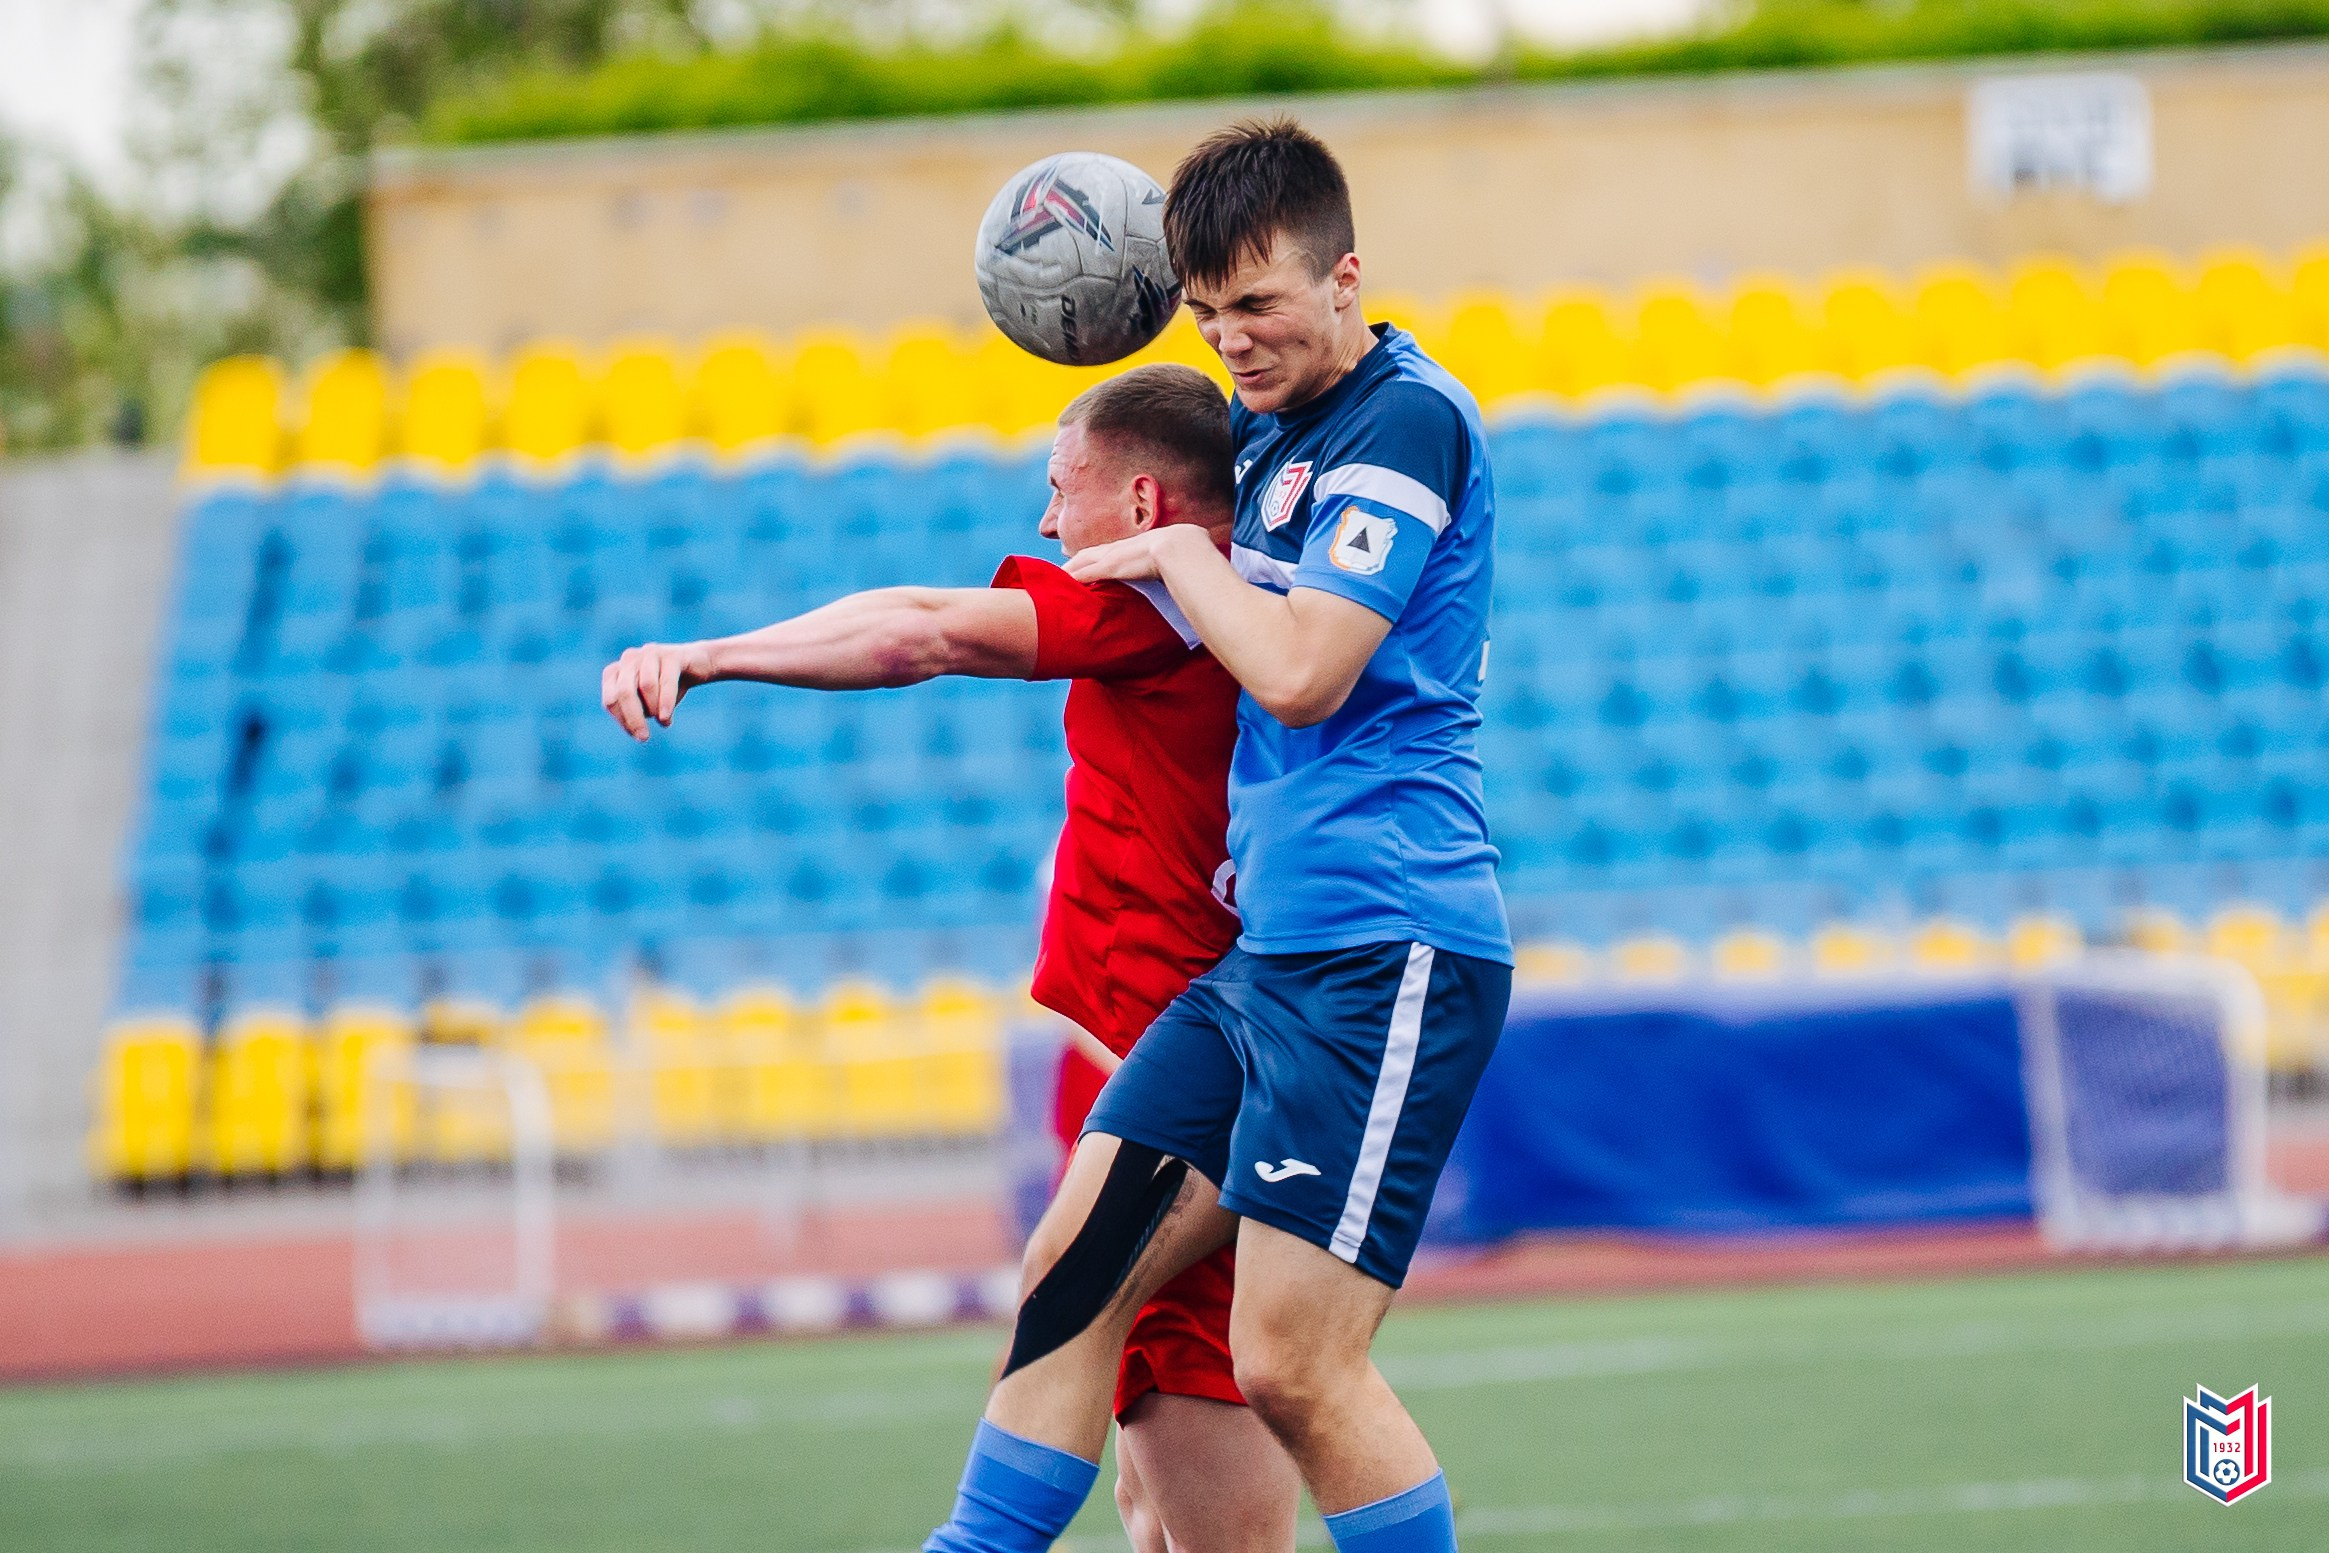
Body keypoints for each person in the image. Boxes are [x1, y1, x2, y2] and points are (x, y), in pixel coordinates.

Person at [921, 119, 1511, 1553]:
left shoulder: (1403, 422)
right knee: (1072, 1273)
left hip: (1386, 948)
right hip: (1268, 961)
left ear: (1345, 277)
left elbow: (1305, 670)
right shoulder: (1274, 432)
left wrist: (1180, 548)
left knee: (1291, 1364)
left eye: (1257, 304)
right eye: (1204, 314)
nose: (1230, 341)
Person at [599, 364, 1300, 1553]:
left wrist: (709, 653)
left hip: (1197, 1065)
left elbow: (922, 629)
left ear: (1143, 505)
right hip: (1189, 1053)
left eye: (1062, 486)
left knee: (1094, 1321)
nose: (1046, 520)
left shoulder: (1162, 600)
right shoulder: (1276, 599)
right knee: (1150, 1486)